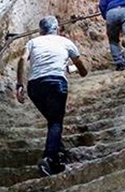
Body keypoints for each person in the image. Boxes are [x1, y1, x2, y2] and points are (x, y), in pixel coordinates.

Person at [16, 16, 88, 176]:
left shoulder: (32, 42)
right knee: (55, 122)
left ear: (40, 30)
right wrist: (76, 70)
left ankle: (58, 154)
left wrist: (20, 84)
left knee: (52, 119)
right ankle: (48, 158)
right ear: (57, 29)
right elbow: (82, 69)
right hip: (56, 83)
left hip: (35, 86)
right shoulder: (66, 42)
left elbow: (22, 59)